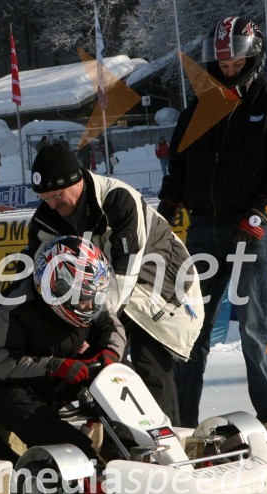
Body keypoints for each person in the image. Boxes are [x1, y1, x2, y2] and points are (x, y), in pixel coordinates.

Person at [157, 16, 267, 440]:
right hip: (202, 231)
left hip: (250, 230)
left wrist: (263, 210)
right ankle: (182, 418)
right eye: (222, 65)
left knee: (254, 326)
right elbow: (179, 165)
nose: (229, 70)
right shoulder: (198, 110)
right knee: (191, 328)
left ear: (254, 59)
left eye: (236, 63)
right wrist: (168, 203)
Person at [29, 143, 203, 423]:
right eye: (43, 197)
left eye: (57, 196)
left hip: (161, 289)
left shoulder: (118, 200)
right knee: (102, 364)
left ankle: (169, 437)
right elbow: (37, 275)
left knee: (148, 363)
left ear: (77, 181)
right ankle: (122, 434)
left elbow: (123, 276)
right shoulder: (47, 218)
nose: (51, 204)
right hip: (108, 295)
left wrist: (88, 327)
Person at [0, 235, 125, 463]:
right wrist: (54, 366)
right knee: (22, 408)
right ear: (58, 286)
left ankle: (131, 444)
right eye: (84, 299)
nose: (90, 305)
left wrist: (109, 352)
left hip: (64, 375)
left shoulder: (90, 298)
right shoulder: (12, 306)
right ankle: (83, 459)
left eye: (94, 298)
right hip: (14, 384)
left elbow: (112, 327)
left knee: (119, 374)